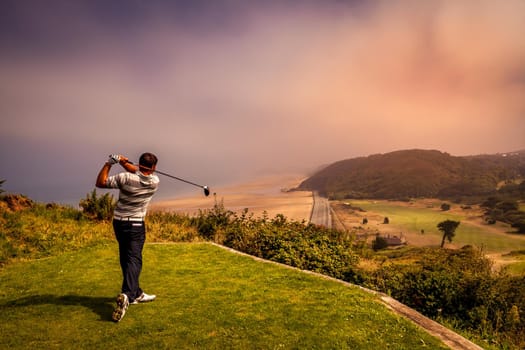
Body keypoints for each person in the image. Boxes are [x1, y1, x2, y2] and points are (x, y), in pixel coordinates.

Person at [96, 152, 160, 322]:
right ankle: (127, 294)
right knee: (134, 260)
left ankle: (136, 293)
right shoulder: (155, 182)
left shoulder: (124, 178)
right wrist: (124, 162)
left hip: (119, 223)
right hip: (136, 225)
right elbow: (138, 173)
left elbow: (100, 183)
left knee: (125, 257)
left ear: (140, 164)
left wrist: (110, 163)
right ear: (153, 168)